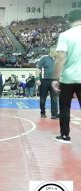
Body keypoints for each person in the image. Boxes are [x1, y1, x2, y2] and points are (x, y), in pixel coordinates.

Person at [52, 9, 81, 144]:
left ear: (69, 21)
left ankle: (65, 136)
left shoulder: (65, 35)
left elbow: (60, 58)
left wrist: (55, 79)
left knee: (64, 108)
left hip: (68, 78)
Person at [37, 46, 59, 119]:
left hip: (55, 81)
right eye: (57, 51)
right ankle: (42, 112)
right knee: (43, 98)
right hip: (44, 81)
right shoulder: (44, 58)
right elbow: (38, 69)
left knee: (54, 98)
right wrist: (37, 79)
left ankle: (54, 114)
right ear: (52, 51)